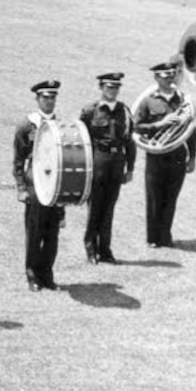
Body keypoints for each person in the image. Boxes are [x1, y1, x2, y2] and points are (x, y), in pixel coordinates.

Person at [136, 60, 196, 249]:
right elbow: (137, 127)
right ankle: (153, 238)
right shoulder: (148, 100)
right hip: (156, 155)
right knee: (154, 197)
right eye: (165, 76)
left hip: (178, 156)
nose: (170, 78)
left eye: (172, 75)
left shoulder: (183, 101)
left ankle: (166, 237)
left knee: (171, 198)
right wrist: (159, 124)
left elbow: (191, 130)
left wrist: (192, 156)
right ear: (156, 78)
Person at [12, 81, 67, 291]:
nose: (49, 102)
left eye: (52, 98)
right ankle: (32, 275)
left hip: (55, 182)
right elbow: (18, 160)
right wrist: (21, 188)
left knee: (52, 232)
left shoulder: (60, 125)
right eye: (45, 98)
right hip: (34, 181)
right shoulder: (27, 125)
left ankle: (47, 275)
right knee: (34, 231)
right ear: (37, 99)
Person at [79, 72, 135, 264]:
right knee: (95, 206)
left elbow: (129, 141)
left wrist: (130, 168)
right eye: (109, 87)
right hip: (97, 160)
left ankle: (105, 250)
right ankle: (91, 248)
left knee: (109, 207)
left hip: (117, 161)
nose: (113, 91)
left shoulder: (124, 111)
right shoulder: (90, 111)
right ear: (101, 88)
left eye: (116, 87)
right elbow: (81, 139)